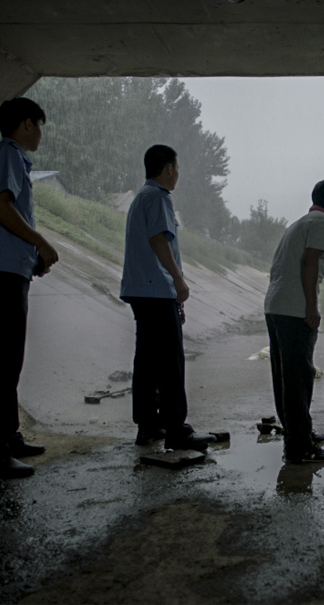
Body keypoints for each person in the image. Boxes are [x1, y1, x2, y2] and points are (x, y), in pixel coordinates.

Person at [0, 97, 60, 480]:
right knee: (3, 363)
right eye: (38, 124)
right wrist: (41, 243)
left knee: (8, 358)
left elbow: (4, 216)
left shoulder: (7, 157)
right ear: (24, 124)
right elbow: (0, 207)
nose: (40, 132)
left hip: (3, 269)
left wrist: (29, 258)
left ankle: (8, 436)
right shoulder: (7, 153)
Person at [120, 145, 214, 452]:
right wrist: (178, 281)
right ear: (169, 169)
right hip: (156, 289)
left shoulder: (140, 198)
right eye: (178, 167)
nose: (179, 174)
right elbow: (159, 240)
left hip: (139, 291)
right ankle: (176, 429)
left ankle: (147, 425)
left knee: (146, 361)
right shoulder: (159, 198)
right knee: (171, 361)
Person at [264, 175, 324, 464]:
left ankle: (298, 433)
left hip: (275, 307)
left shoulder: (301, 222)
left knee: (285, 378)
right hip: (294, 309)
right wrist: (311, 307)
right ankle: (300, 447)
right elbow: (309, 262)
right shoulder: (323, 223)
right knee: (300, 378)